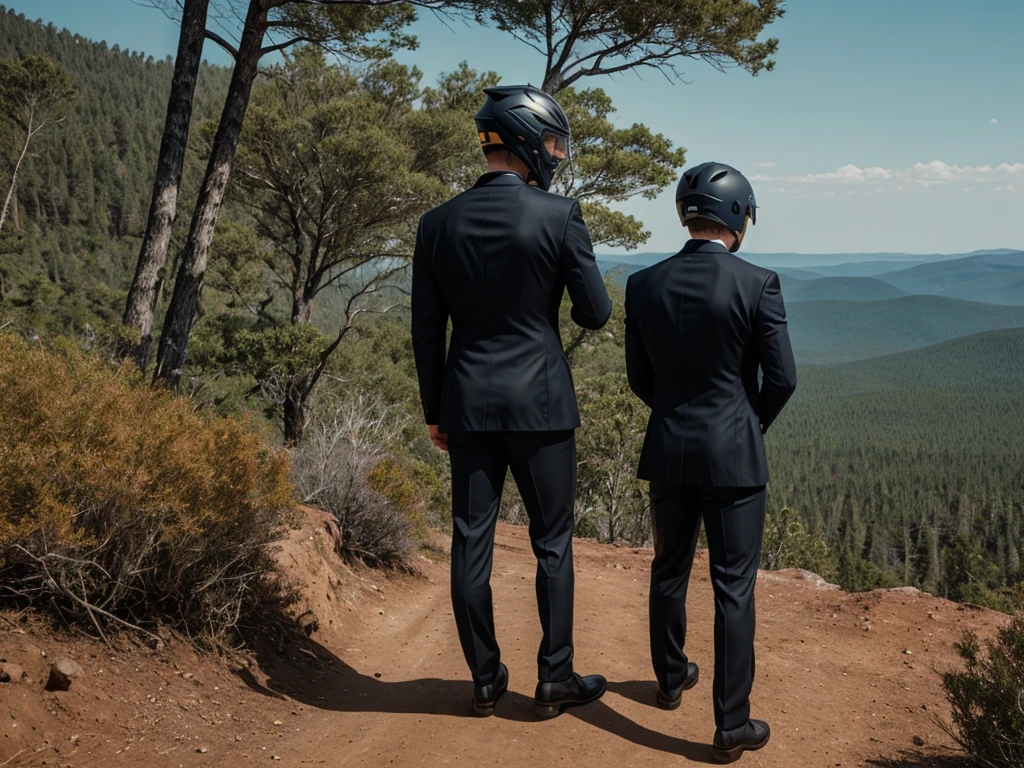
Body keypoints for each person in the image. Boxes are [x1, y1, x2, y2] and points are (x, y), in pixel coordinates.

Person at [411, 85, 613, 719]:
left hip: (467, 402)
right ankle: (554, 678)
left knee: (471, 540)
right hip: (543, 408)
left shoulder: (436, 223)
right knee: (553, 541)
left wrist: (435, 409)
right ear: (525, 139)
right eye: (551, 141)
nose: (554, 153)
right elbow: (597, 312)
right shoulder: (559, 215)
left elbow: (425, 329)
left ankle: (484, 678)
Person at [623, 162, 797, 762]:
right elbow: (782, 379)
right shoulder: (759, 282)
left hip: (668, 449)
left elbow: (638, 378)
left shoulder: (643, 284)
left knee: (668, 568)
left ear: (685, 215)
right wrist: (746, 425)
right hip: (735, 458)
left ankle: (670, 681)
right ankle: (731, 723)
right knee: (734, 588)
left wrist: (676, 413)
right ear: (738, 218)